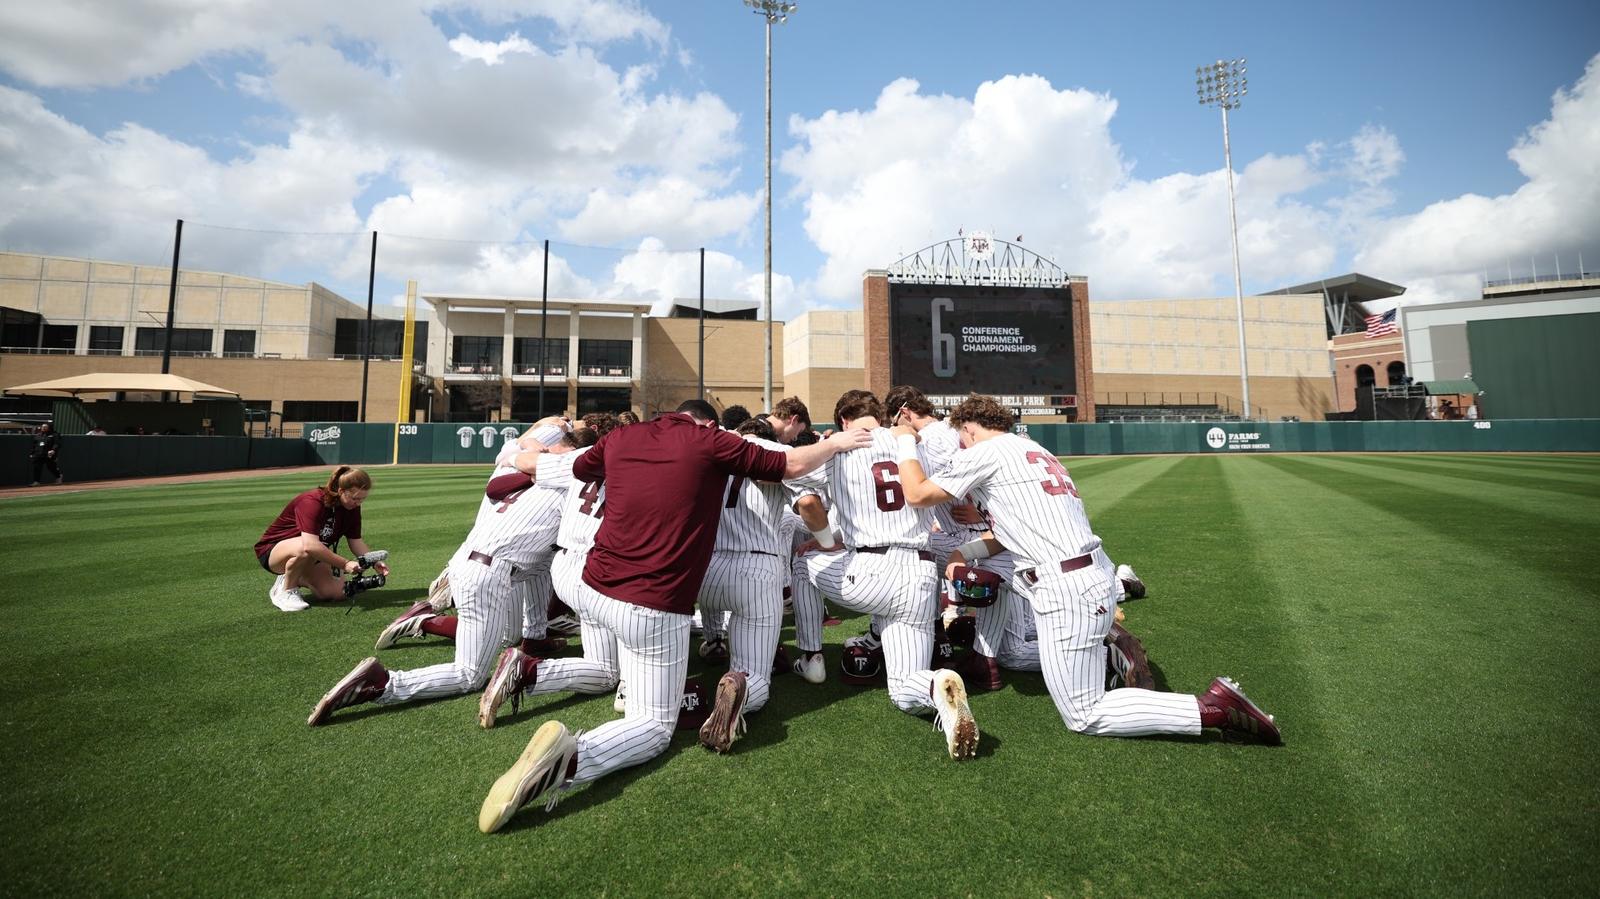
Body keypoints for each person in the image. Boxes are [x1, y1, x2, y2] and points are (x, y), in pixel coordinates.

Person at [474, 399, 871, 833]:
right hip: (662, 598)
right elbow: (793, 464)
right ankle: (571, 759)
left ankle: (581, 679)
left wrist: (517, 451)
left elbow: (570, 469)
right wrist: (841, 442)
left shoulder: (622, 436)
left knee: (615, 661)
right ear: (708, 423)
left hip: (594, 589)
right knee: (653, 728)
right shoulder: (710, 441)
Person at [892, 394, 1281, 745]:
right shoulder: (1035, 450)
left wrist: (905, 440)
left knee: (1084, 713)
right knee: (1010, 647)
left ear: (970, 429)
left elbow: (917, 494)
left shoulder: (984, 451)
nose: (959, 445)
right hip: (1086, 576)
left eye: (961, 436)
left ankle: (1213, 707)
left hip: (1066, 589)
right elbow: (1011, 531)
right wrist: (967, 550)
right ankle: (1096, 653)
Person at [307, 424, 592, 725]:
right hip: (489, 573)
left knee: (519, 609)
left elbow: (500, 490)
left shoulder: (531, 471)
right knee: (470, 674)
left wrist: (535, 635)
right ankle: (381, 683)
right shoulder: (572, 481)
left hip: (468, 562)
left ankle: (447, 622)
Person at [787, 389, 979, 761]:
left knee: (800, 562)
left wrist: (826, 542)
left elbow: (808, 503)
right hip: (921, 573)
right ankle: (936, 683)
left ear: (843, 420)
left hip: (871, 570)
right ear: (880, 414)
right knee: (905, 688)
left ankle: (811, 658)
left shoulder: (837, 447)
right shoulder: (916, 442)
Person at [254, 466, 387, 612]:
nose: (358, 503)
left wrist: (374, 562)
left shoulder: (352, 508)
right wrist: (345, 564)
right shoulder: (312, 501)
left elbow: (356, 541)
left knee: (336, 593)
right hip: (273, 551)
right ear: (341, 491)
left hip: (311, 555)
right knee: (305, 548)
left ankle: (292, 576)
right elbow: (310, 546)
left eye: (363, 499)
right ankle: (286, 591)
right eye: (355, 498)